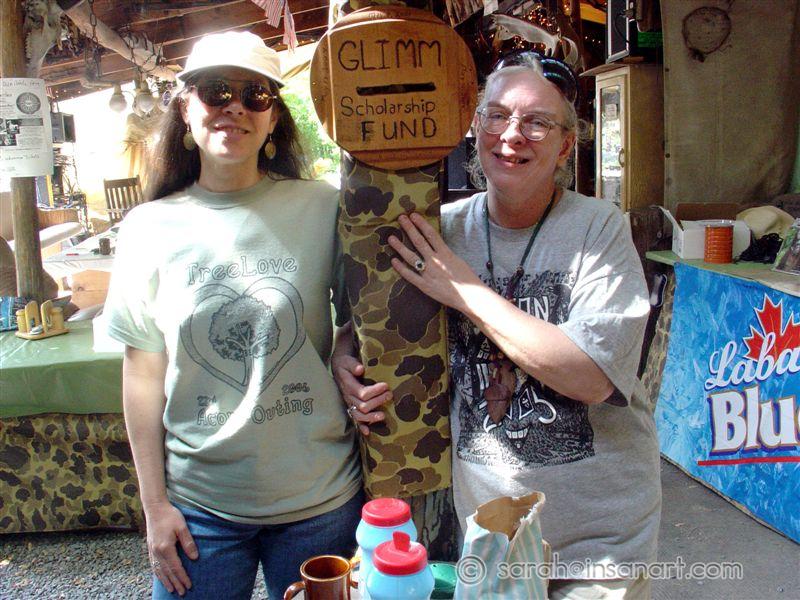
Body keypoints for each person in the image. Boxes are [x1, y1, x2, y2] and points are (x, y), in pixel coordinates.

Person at [335, 52, 661, 599]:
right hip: (489, 538)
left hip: (597, 543)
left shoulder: (598, 228)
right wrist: (343, 363)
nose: (512, 135)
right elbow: (363, 323)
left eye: (537, 122)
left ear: (565, 146)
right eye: (497, 115)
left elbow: (590, 376)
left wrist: (463, 290)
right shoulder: (441, 229)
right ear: (475, 128)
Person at [104, 31, 362, 600]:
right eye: (216, 91)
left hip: (321, 498)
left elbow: (359, 322)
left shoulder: (323, 207)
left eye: (254, 94)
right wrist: (154, 507)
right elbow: (142, 373)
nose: (235, 107)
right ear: (185, 107)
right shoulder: (148, 227)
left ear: (273, 118)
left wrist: (344, 355)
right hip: (200, 510)